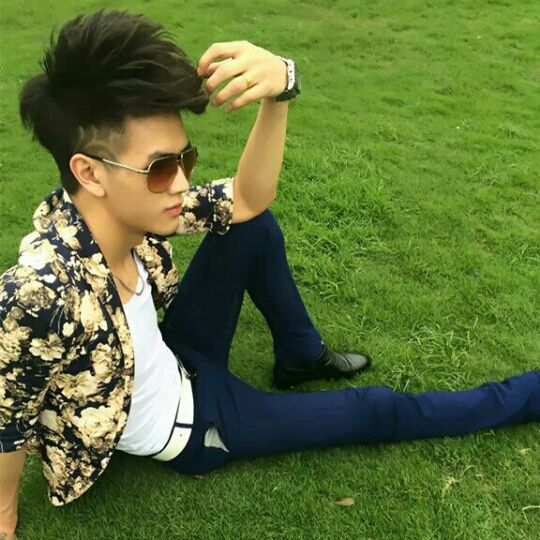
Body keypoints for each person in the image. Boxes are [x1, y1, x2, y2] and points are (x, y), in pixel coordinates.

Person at [1, 9, 538, 539]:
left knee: (250, 226)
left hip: (177, 355)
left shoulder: (104, 211)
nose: (181, 183)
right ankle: (529, 395)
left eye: (185, 160)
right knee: (373, 409)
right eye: (161, 168)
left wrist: (280, 92)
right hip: (193, 422)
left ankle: (299, 355)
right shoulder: (39, 295)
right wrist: (3, 515)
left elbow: (247, 199)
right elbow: (6, 420)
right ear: (89, 173)